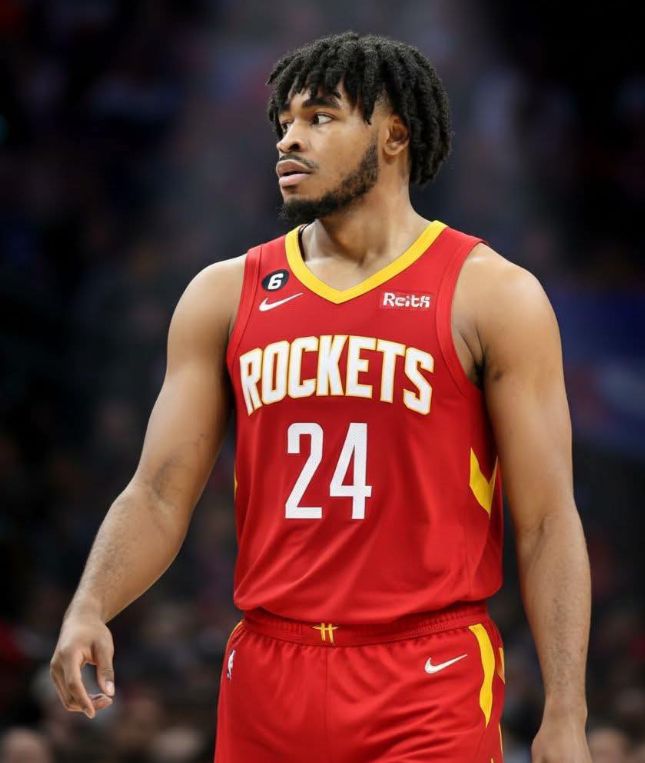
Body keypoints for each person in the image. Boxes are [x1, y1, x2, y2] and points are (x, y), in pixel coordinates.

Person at [50, 31, 592, 762]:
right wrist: (90, 603)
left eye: (320, 118)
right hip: (268, 666)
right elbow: (156, 492)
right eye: (284, 122)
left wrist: (565, 711)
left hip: (427, 670)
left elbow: (548, 520)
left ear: (394, 134)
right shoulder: (223, 294)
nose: (289, 139)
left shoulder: (492, 294)